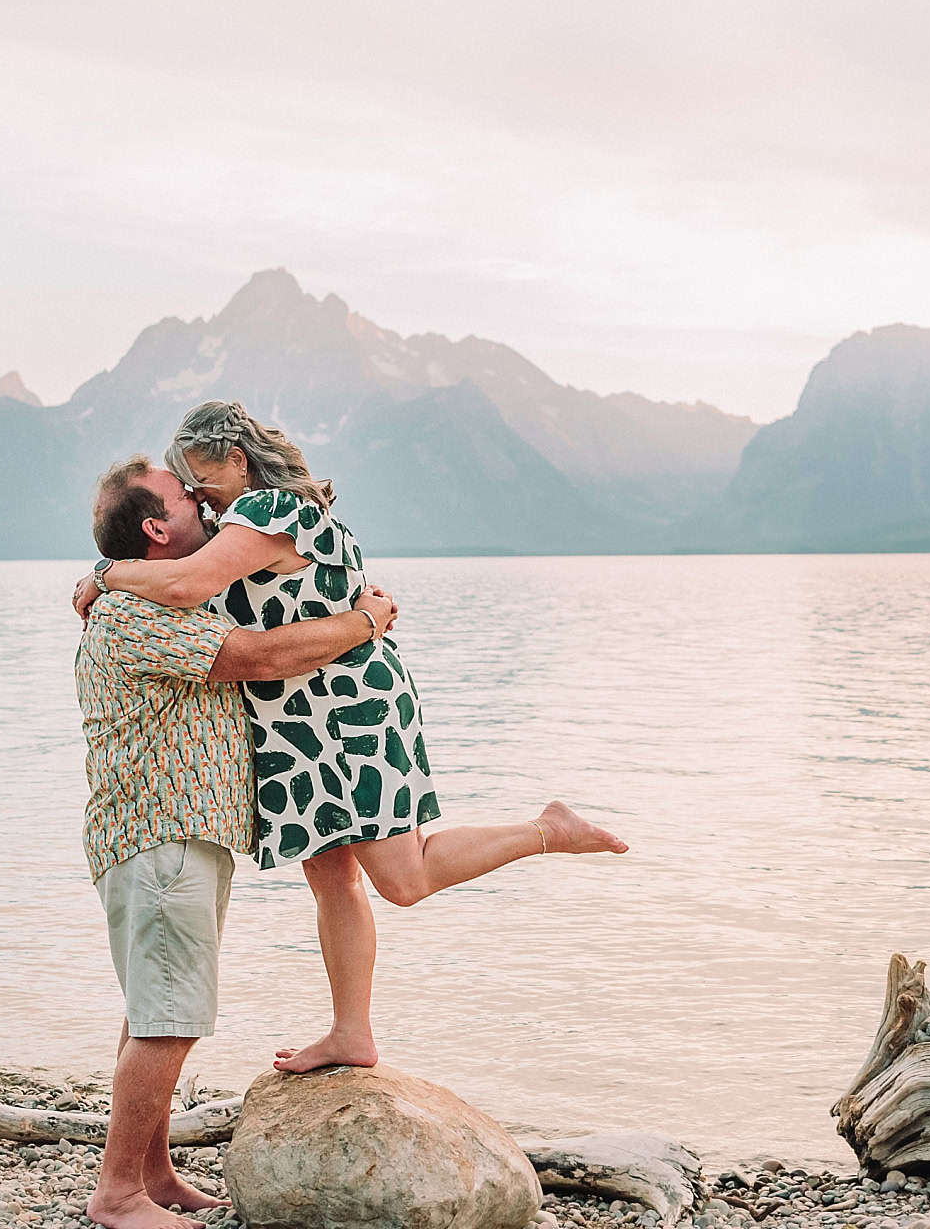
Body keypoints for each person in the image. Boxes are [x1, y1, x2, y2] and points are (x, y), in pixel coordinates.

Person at [74, 400, 627, 1078]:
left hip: (343, 708)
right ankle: (351, 1034)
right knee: (333, 876)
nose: (195, 493)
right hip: (300, 715)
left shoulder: (273, 513)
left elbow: (190, 583)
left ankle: (548, 829)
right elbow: (204, 589)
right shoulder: (250, 520)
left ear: (236, 461)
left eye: (198, 476)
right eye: (183, 485)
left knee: (403, 876)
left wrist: (104, 574)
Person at [76, 455, 398, 1229]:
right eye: (186, 496)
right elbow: (258, 657)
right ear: (158, 527)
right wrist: (367, 623)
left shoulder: (144, 592)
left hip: (177, 831)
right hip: (162, 831)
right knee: (170, 1018)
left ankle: (153, 1174)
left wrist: (102, 571)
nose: (206, 501)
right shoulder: (141, 613)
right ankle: (117, 1193)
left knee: (154, 1008)